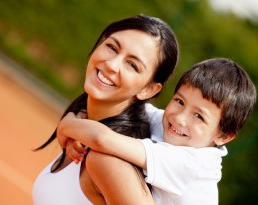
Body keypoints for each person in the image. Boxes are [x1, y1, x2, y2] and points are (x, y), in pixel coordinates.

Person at [57, 58, 257, 204]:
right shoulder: (168, 123)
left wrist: (67, 125)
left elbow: (101, 139)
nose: (180, 118)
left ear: (224, 136)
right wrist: (82, 117)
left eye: (199, 116)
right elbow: (119, 108)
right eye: (179, 101)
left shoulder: (194, 164)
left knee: (103, 159)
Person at [32, 14, 179, 205]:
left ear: (148, 90)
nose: (111, 64)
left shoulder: (108, 161)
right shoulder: (82, 123)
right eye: (112, 47)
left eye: (132, 65)